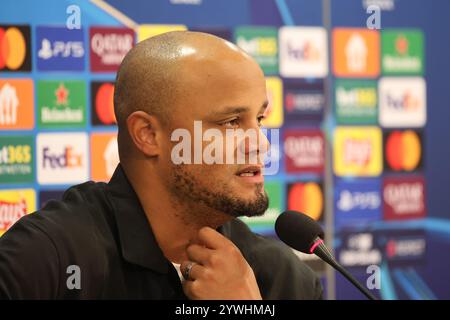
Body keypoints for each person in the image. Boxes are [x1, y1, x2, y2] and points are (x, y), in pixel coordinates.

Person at [0, 31, 323, 299]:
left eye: (260, 119)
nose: (261, 144)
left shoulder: (285, 278)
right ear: (148, 135)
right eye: (230, 122)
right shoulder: (45, 260)